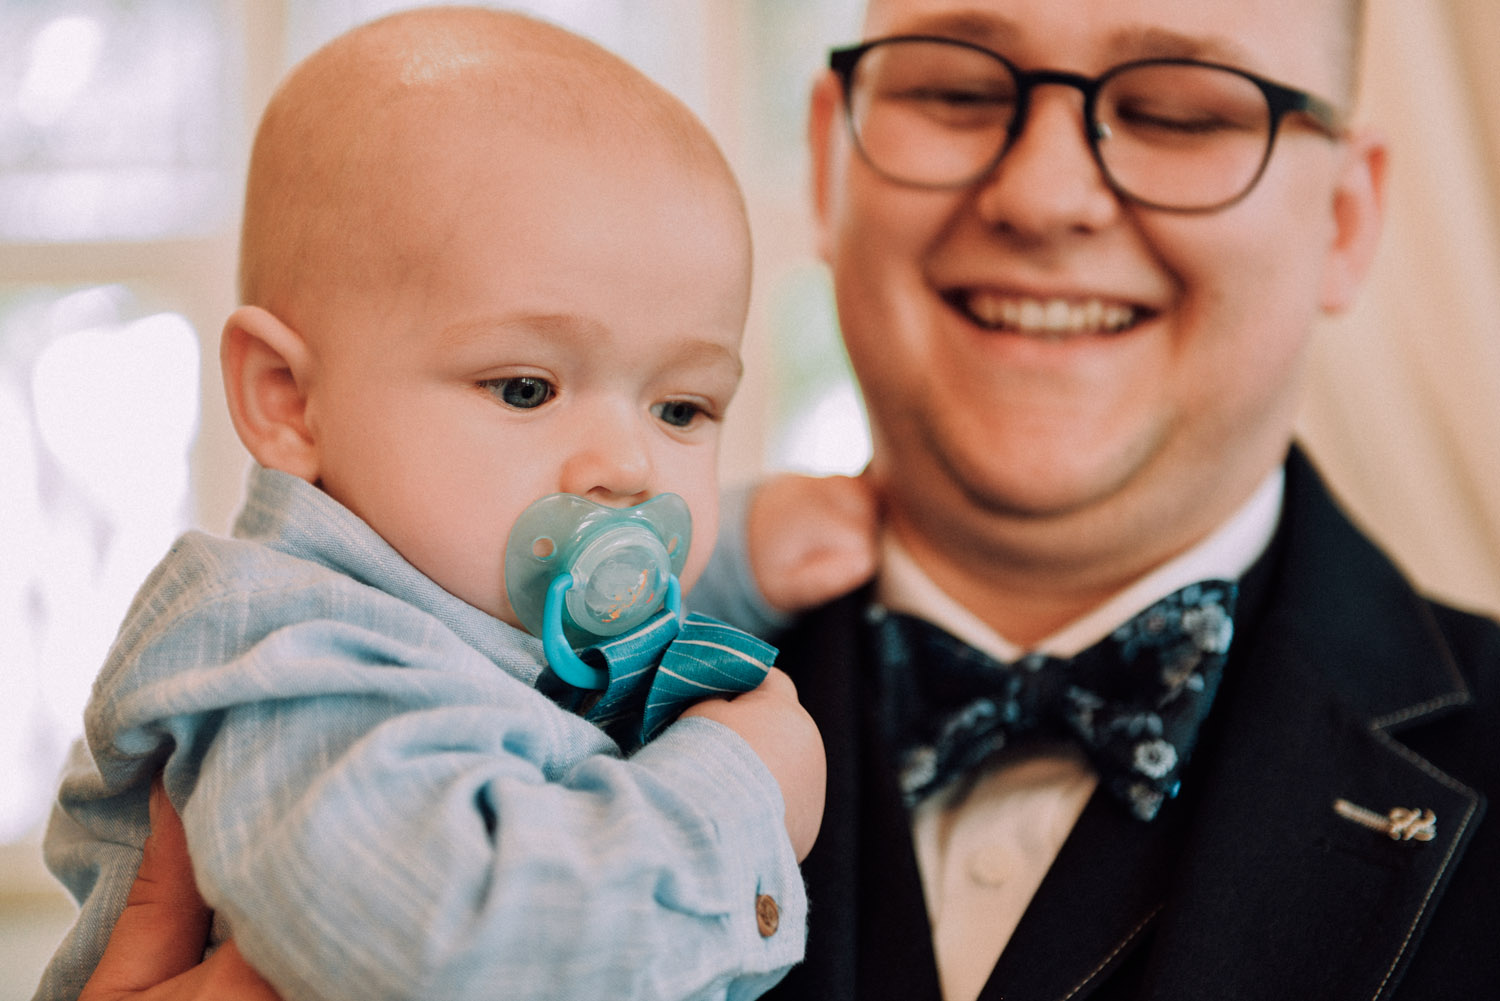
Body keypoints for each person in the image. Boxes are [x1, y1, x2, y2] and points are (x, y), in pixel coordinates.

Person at [75, 0, 1500, 998]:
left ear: (1346, 219)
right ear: (827, 152)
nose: (1050, 192)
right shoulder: (438, 632)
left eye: (1187, 110)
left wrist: (743, 544)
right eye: (956, 85)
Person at [33, 8, 828, 1001]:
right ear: (288, 399)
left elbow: (566, 631)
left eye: (682, 406)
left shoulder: (442, 593)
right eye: (526, 388)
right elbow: (465, 951)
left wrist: (739, 552)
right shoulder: (308, 669)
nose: (630, 465)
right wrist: (736, 798)